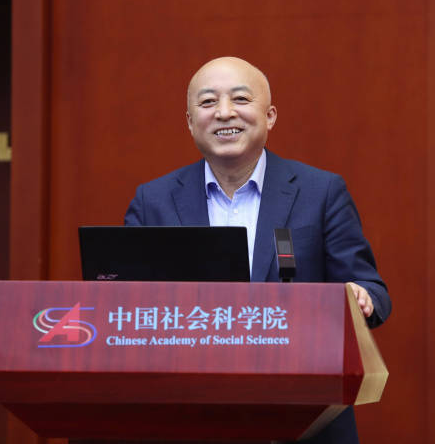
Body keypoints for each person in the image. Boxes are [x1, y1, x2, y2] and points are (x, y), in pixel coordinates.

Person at [124, 57, 391, 443]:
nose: (224, 112)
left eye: (240, 99)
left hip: (304, 420)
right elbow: (124, 306)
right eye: (208, 102)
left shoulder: (321, 192)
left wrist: (361, 297)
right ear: (190, 122)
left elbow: (371, 289)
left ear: (269, 116)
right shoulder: (154, 201)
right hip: (189, 418)